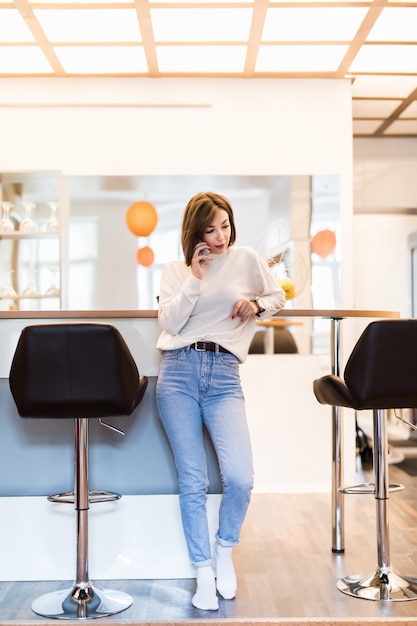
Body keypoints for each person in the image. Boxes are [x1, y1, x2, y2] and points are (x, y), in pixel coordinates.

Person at [156, 191, 286, 610]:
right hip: (177, 373)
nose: (219, 237)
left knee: (241, 477)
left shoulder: (246, 258)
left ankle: (224, 552)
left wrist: (257, 305)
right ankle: (203, 572)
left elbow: (279, 297)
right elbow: (172, 322)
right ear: (194, 233)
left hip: (224, 375)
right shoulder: (176, 272)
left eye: (225, 225)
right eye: (209, 229)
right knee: (192, 481)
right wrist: (195, 278)